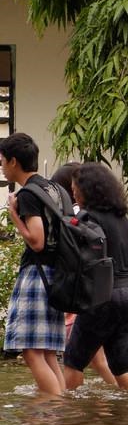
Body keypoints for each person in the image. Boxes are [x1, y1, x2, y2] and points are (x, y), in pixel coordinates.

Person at [62, 163, 128, 391]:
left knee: (73, 361)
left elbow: (75, 255)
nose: (73, 193)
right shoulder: (124, 219)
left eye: (75, 188)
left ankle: (67, 417)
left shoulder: (89, 219)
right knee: (122, 366)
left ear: (87, 189)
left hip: (105, 296)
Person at [2, 133, 68, 396]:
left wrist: (14, 215)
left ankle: (53, 407)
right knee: (48, 352)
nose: (2, 167)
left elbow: (37, 240)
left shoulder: (28, 194)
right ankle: (59, 414)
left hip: (36, 276)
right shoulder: (56, 189)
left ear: (14, 161)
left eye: (2, 161)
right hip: (58, 275)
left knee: (31, 351)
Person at [51, 162, 117, 386]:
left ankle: (69, 406)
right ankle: (117, 399)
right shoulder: (114, 215)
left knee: (74, 360)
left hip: (86, 299)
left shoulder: (80, 219)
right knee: (98, 359)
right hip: (103, 292)